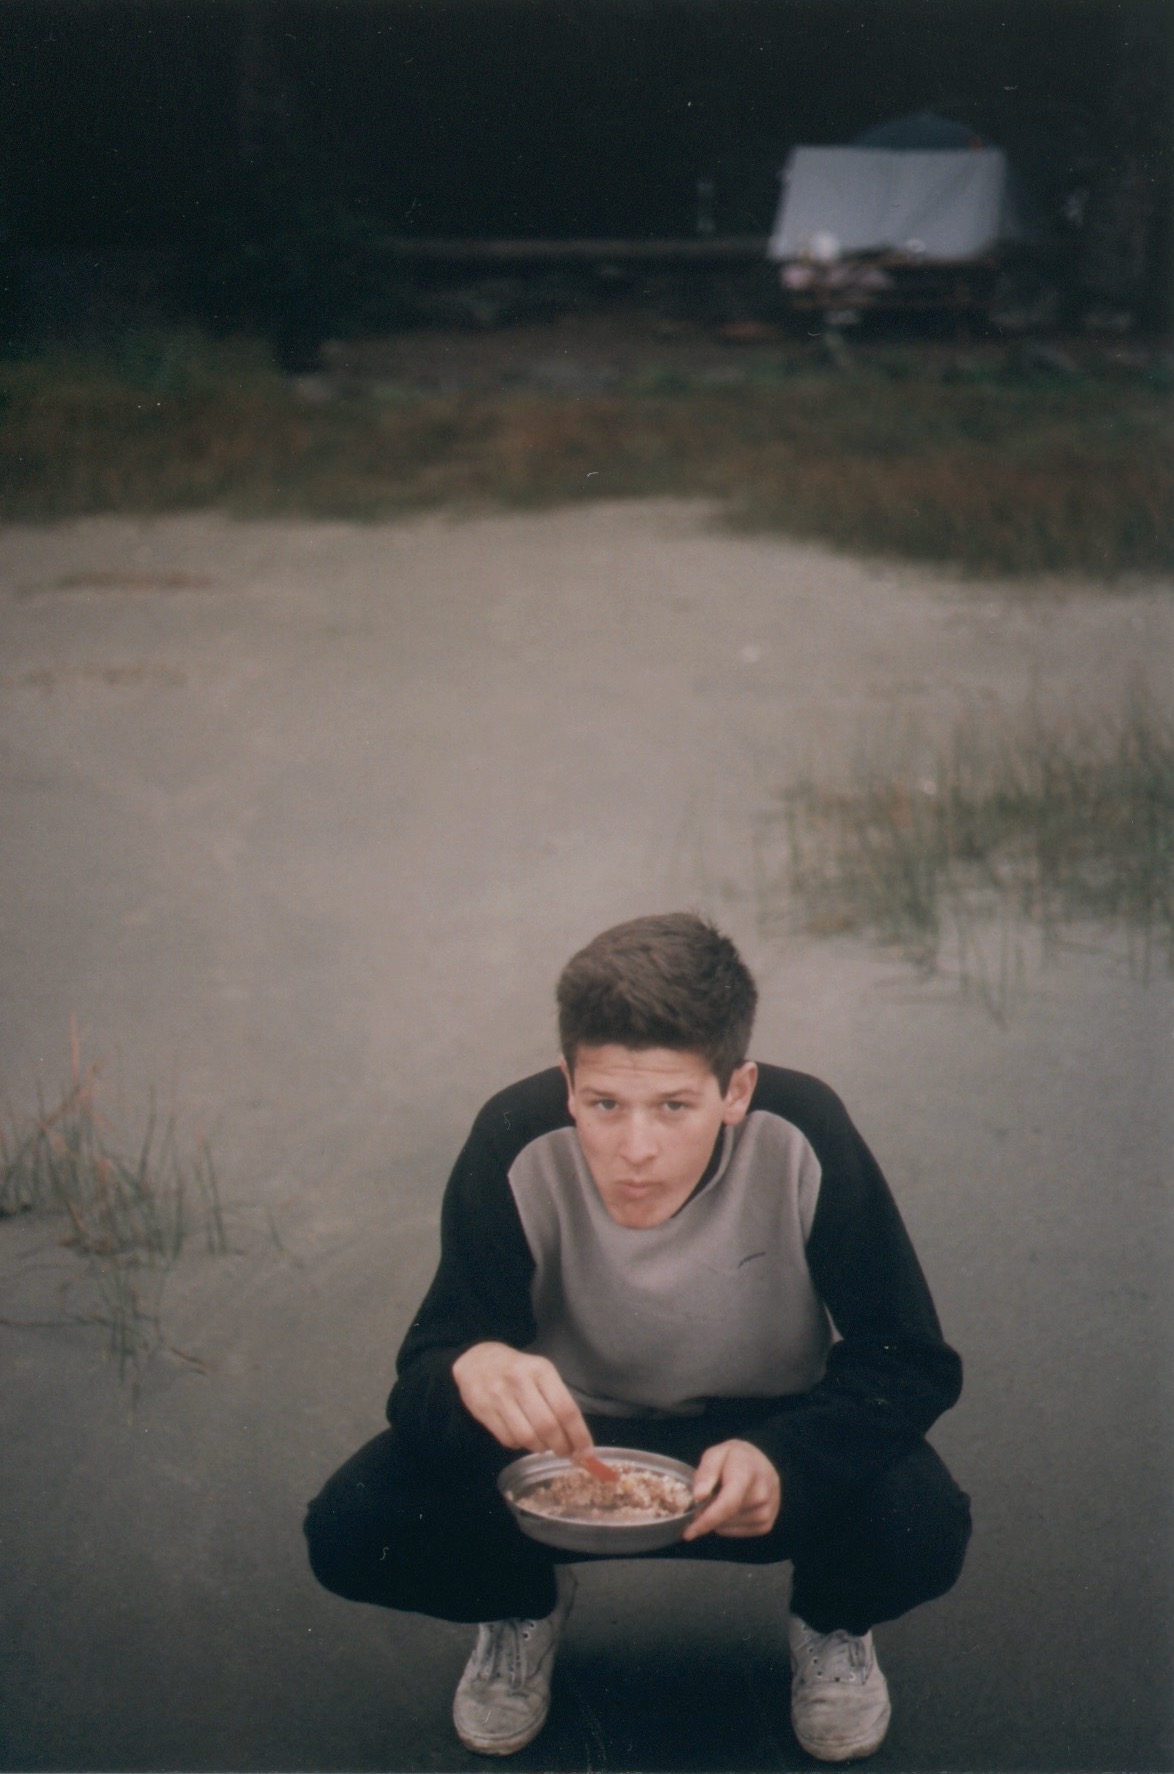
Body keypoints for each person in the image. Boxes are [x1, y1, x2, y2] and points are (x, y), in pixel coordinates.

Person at [305, 913, 971, 1762]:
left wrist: (789, 1458)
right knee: (355, 1527)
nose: (635, 1150)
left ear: (736, 1091)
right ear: (567, 1082)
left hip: (754, 1448)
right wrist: (471, 1365)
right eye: (604, 1104)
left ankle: (833, 1624)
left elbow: (908, 1360)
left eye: (675, 1106)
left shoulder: (804, 1132)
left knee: (920, 1522)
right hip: (570, 1450)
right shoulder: (514, 1136)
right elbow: (423, 1372)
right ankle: (520, 1606)